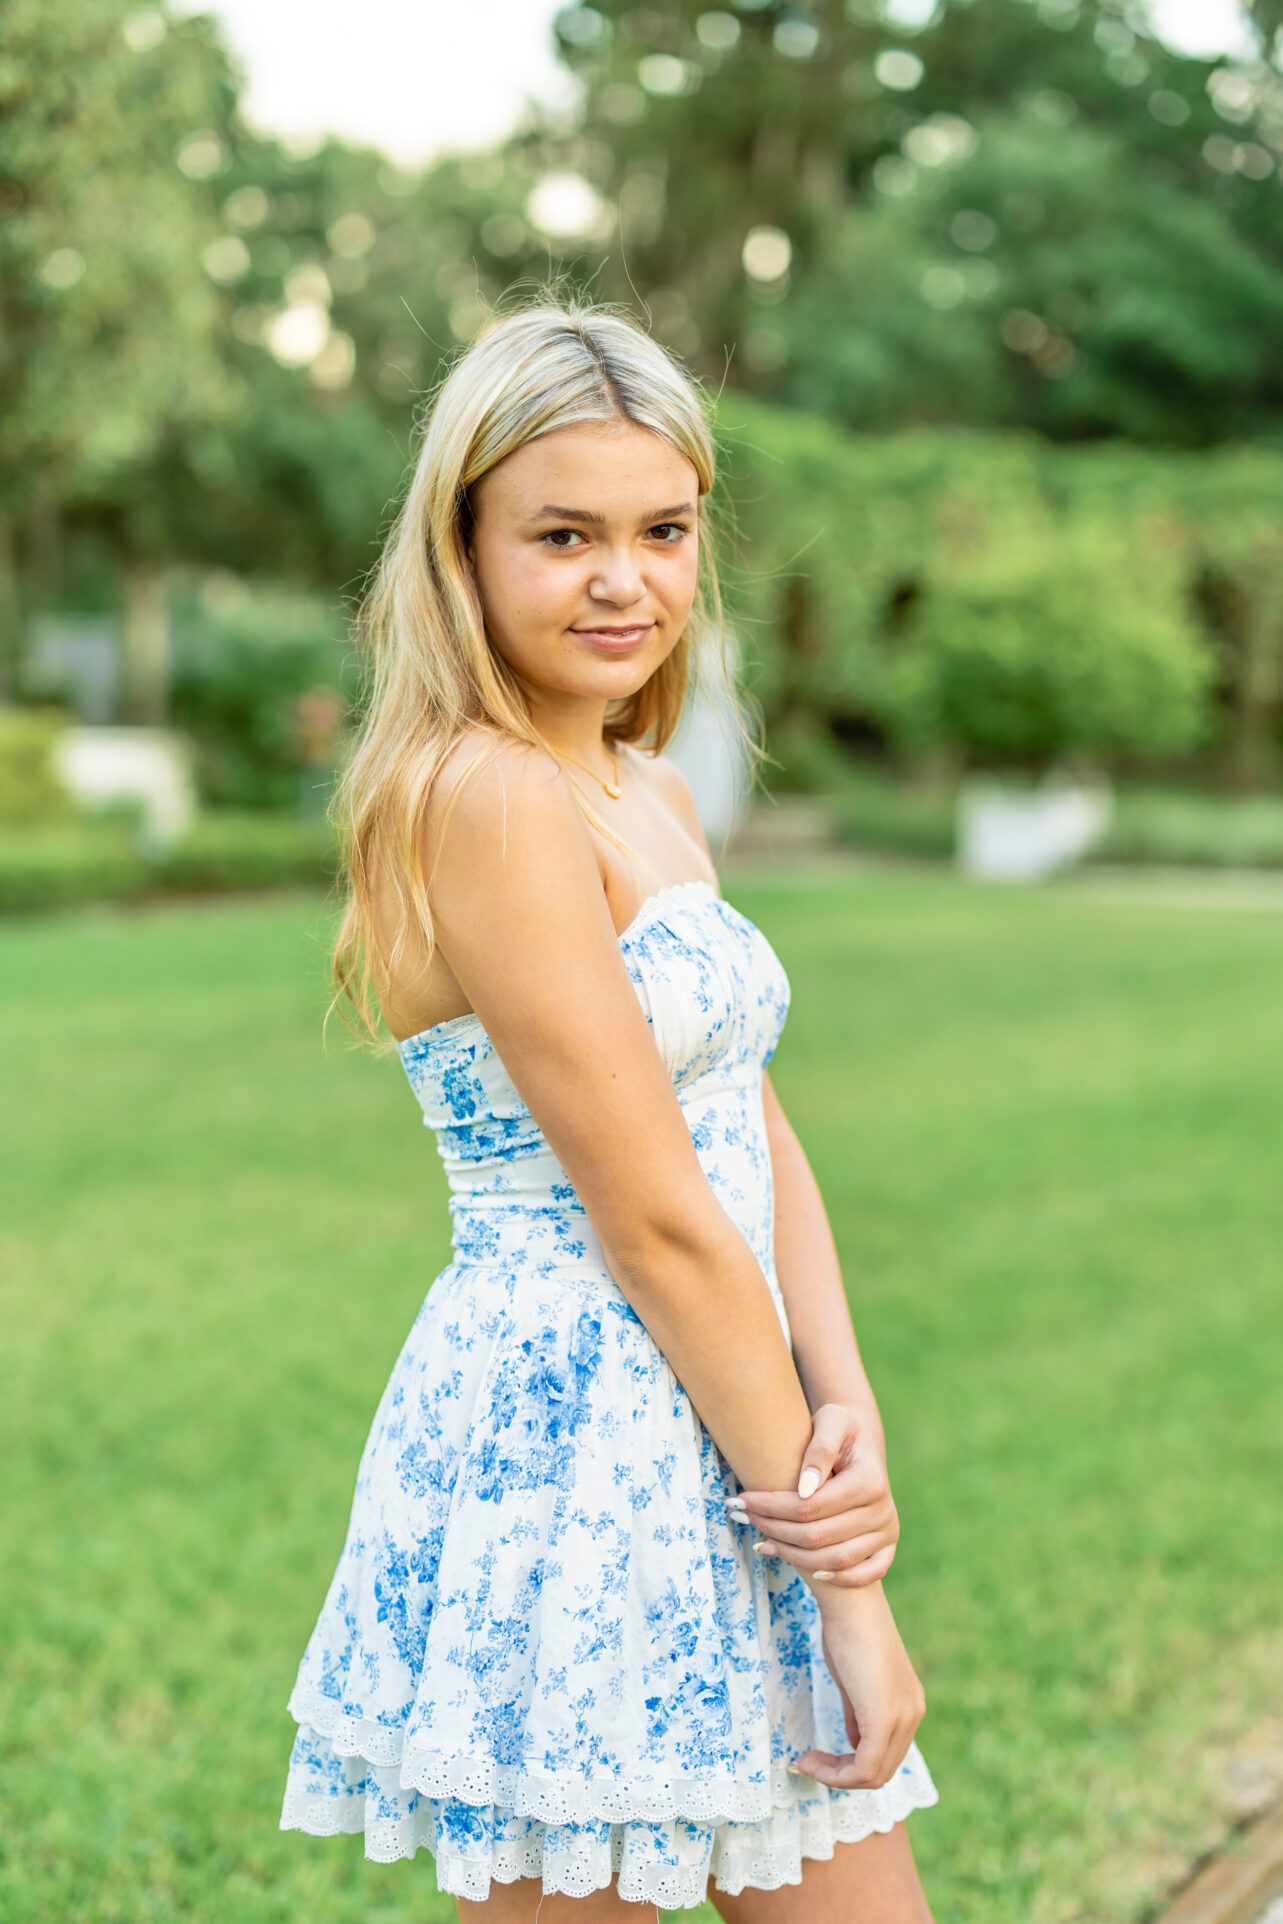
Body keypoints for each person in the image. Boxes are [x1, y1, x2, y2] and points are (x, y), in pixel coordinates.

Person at [279, 292, 938, 1919]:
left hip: (741, 1423)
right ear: (463, 546)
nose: (623, 579)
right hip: (574, 1446)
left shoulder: (642, 787)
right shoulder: (489, 796)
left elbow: (754, 1130)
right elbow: (649, 1218)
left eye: (664, 531)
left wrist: (840, 1430)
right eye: (563, 534)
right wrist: (841, 1574)